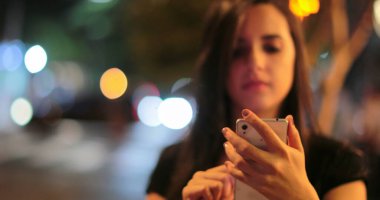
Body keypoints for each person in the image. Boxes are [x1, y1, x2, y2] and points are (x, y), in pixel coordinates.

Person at [146, 0, 368, 199]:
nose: (256, 62)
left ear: (295, 56)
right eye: (237, 51)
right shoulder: (173, 165)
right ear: (217, 64)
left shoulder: (339, 165)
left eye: (271, 47)